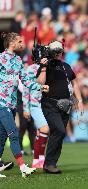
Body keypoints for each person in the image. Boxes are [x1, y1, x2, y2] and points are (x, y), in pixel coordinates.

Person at [0, 32, 49, 177]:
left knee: (2, 137)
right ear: (12, 43)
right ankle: (23, 167)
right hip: (1, 103)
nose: (23, 44)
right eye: (20, 42)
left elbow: (26, 82)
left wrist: (40, 87)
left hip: (12, 104)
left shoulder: (18, 60)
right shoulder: (1, 58)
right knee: (13, 133)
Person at [37, 40, 84, 174]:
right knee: (60, 131)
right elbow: (40, 82)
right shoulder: (46, 64)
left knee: (59, 134)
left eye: (60, 51)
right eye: (56, 51)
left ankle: (51, 163)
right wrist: (43, 67)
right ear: (51, 52)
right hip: (50, 103)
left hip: (65, 105)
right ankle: (49, 163)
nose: (58, 54)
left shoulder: (66, 66)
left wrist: (79, 100)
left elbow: (74, 84)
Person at [22, 61, 50, 169]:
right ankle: (40, 159)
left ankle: (37, 160)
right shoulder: (31, 69)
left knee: (41, 132)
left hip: (47, 105)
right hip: (35, 104)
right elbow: (26, 89)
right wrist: (26, 108)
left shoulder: (51, 68)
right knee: (45, 129)